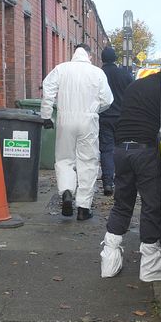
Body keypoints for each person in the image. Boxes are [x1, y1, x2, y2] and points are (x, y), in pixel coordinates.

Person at [100, 70, 161, 281]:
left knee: (122, 204)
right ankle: (150, 266)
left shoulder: (136, 86)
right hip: (144, 151)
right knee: (151, 205)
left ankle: (109, 262)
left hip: (121, 150)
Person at [41, 44, 113, 221]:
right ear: (88, 55)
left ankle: (66, 191)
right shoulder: (97, 72)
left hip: (65, 118)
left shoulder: (61, 69)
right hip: (88, 120)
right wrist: (95, 110)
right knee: (87, 162)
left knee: (65, 159)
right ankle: (83, 207)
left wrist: (46, 115)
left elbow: (48, 88)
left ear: (74, 54)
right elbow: (108, 99)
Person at [99, 46, 133, 196]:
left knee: (106, 150)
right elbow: (132, 94)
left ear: (102, 59)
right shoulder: (125, 74)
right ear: (115, 59)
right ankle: (122, 182)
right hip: (122, 118)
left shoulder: (98, 74)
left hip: (104, 117)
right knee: (121, 149)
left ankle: (108, 182)